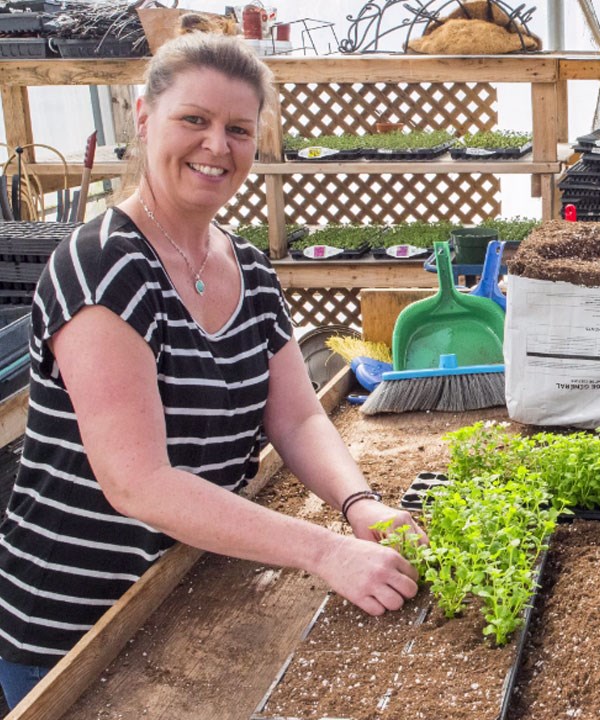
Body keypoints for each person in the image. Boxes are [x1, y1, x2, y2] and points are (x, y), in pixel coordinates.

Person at [0, 34, 420, 707]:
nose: (217, 146)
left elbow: (297, 416)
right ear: (144, 117)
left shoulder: (248, 266)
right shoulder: (105, 266)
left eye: (238, 129)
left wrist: (358, 503)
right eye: (193, 119)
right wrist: (325, 551)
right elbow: (138, 483)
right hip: (79, 627)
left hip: (183, 587)